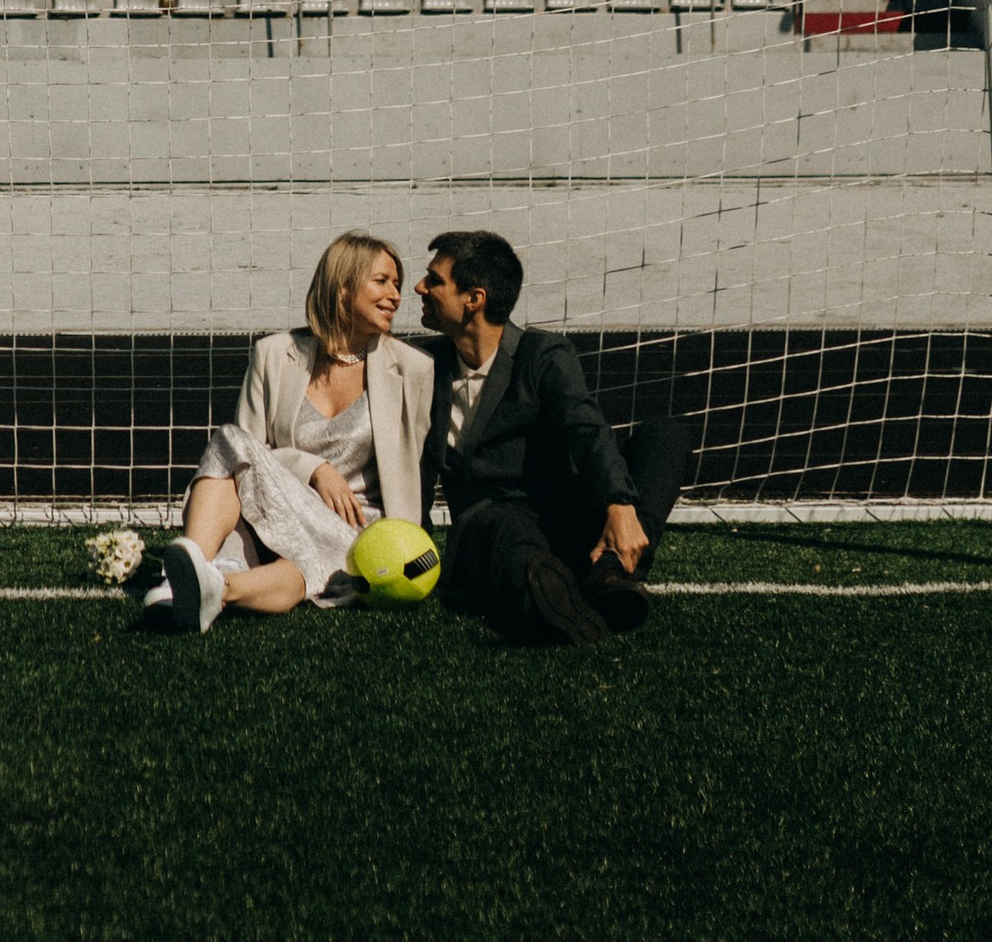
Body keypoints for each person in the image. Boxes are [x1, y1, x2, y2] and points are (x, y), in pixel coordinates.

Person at [137, 232, 436, 633]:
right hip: (275, 506)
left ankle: (200, 586)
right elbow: (242, 455)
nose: (396, 295)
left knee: (306, 573)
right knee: (229, 440)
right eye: (382, 281)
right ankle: (198, 580)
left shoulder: (413, 369)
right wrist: (315, 468)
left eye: (397, 284)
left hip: (355, 528)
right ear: (343, 288)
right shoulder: (275, 354)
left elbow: (419, 463)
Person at [416, 228, 692, 649]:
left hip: (561, 518)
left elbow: (587, 431)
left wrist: (618, 504)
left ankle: (615, 567)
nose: (419, 287)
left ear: (474, 298)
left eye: (434, 280)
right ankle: (556, 607)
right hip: (491, 531)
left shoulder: (542, 355)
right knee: (504, 526)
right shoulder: (424, 366)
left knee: (666, 435)